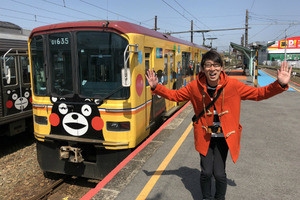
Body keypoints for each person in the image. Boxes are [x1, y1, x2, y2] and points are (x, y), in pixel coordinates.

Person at [145, 50, 292, 200]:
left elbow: (259, 93)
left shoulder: (234, 85)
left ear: (221, 68)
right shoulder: (194, 86)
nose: (212, 69)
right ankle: (206, 198)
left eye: (215, 65)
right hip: (205, 136)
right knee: (206, 172)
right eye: (208, 65)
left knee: (220, 174)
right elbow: (175, 96)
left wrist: (279, 84)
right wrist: (156, 87)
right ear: (202, 69)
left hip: (225, 137)